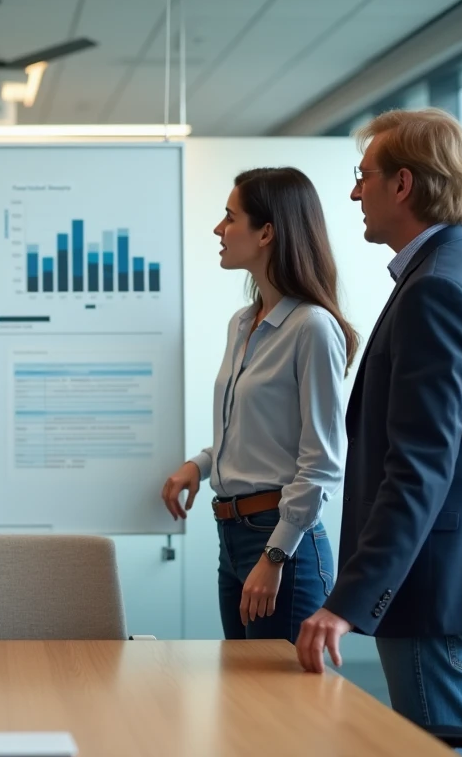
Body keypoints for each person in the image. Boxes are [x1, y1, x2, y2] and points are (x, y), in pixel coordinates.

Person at [297, 109, 462, 739]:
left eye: (364, 175)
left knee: (432, 745)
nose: (354, 192)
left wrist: (346, 602)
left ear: (403, 185)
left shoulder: (437, 288)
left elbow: (419, 470)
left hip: (433, 583)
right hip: (452, 573)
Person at [163, 167, 357, 644]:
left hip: (280, 540)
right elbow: (251, 431)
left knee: (283, 710)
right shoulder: (244, 322)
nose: (218, 230)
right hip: (232, 536)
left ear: (267, 232)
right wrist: (201, 463)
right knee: (242, 700)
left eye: (230, 218)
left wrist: (275, 556)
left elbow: (322, 463)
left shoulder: (311, 327)